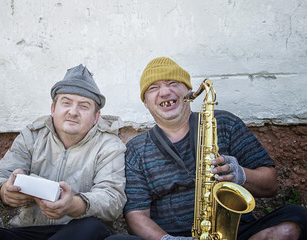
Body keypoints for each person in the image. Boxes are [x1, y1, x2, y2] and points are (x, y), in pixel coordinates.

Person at [107, 57, 307, 240]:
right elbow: (136, 215)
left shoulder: (225, 123)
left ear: (189, 92)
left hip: (237, 233)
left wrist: (241, 175)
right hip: (175, 237)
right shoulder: (136, 149)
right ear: (145, 103)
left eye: (173, 83)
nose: (165, 92)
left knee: (294, 219)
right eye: (153, 88)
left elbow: (271, 184)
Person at [0, 64, 127, 240]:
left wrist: (73, 204)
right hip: (28, 230)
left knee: (91, 226)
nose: (73, 112)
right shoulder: (32, 136)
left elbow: (112, 198)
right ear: (53, 109)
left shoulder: (109, 145)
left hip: (78, 230)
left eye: (84, 106)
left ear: (96, 117)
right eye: (66, 103)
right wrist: (4, 191)